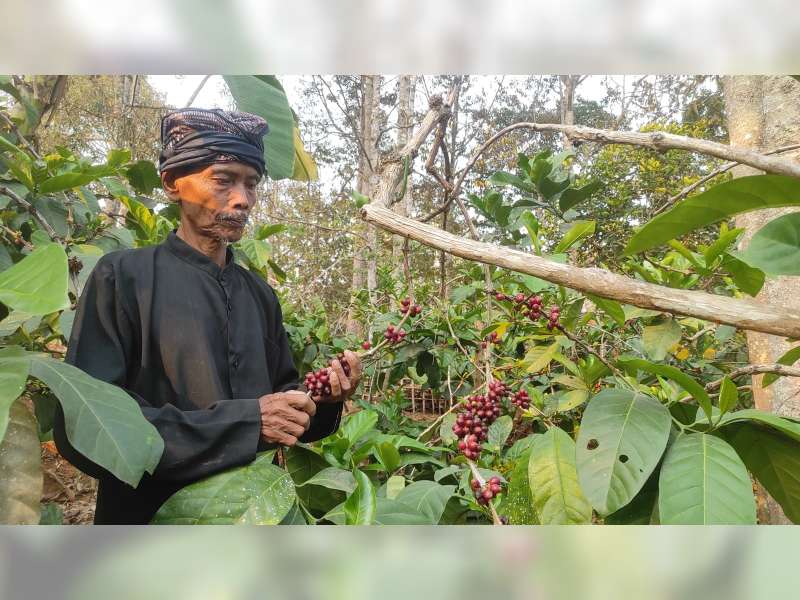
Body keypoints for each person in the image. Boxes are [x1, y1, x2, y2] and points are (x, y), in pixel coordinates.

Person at [53, 108, 361, 524]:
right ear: (172, 183)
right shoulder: (123, 277)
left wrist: (322, 400)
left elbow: (284, 404)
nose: (243, 198)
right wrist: (247, 423)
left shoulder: (260, 295)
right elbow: (88, 426)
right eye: (223, 179)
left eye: (251, 184)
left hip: (250, 520)